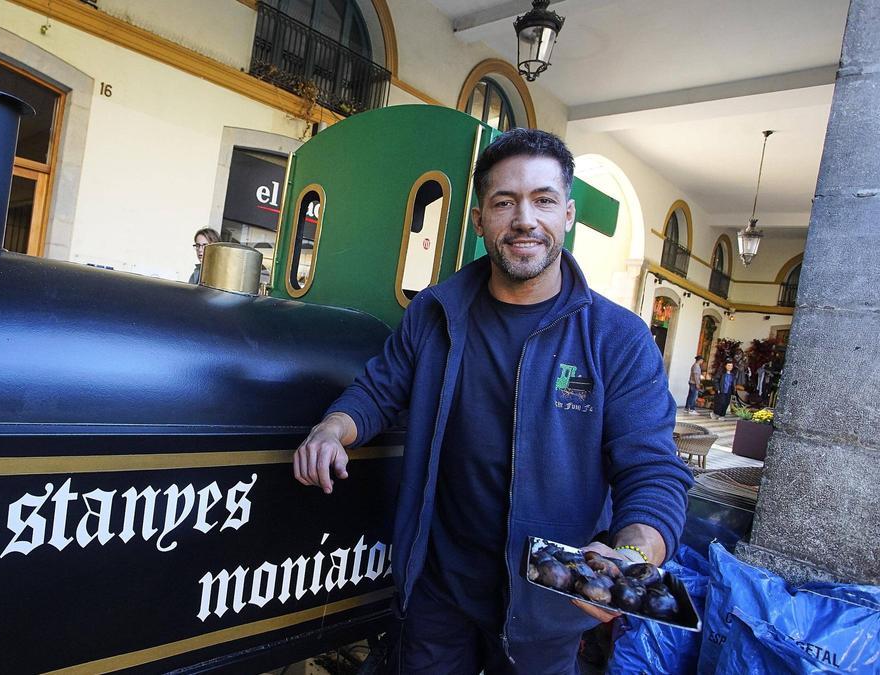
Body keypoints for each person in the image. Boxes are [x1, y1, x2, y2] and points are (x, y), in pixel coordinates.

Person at [292, 128, 693, 674]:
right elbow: (378, 391)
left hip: (547, 605)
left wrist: (631, 557)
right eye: (505, 202)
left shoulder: (617, 338)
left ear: (568, 214)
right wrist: (331, 428)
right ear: (480, 220)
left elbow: (651, 469)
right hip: (438, 591)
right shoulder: (435, 312)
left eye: (543, 200)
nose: (525, 219)